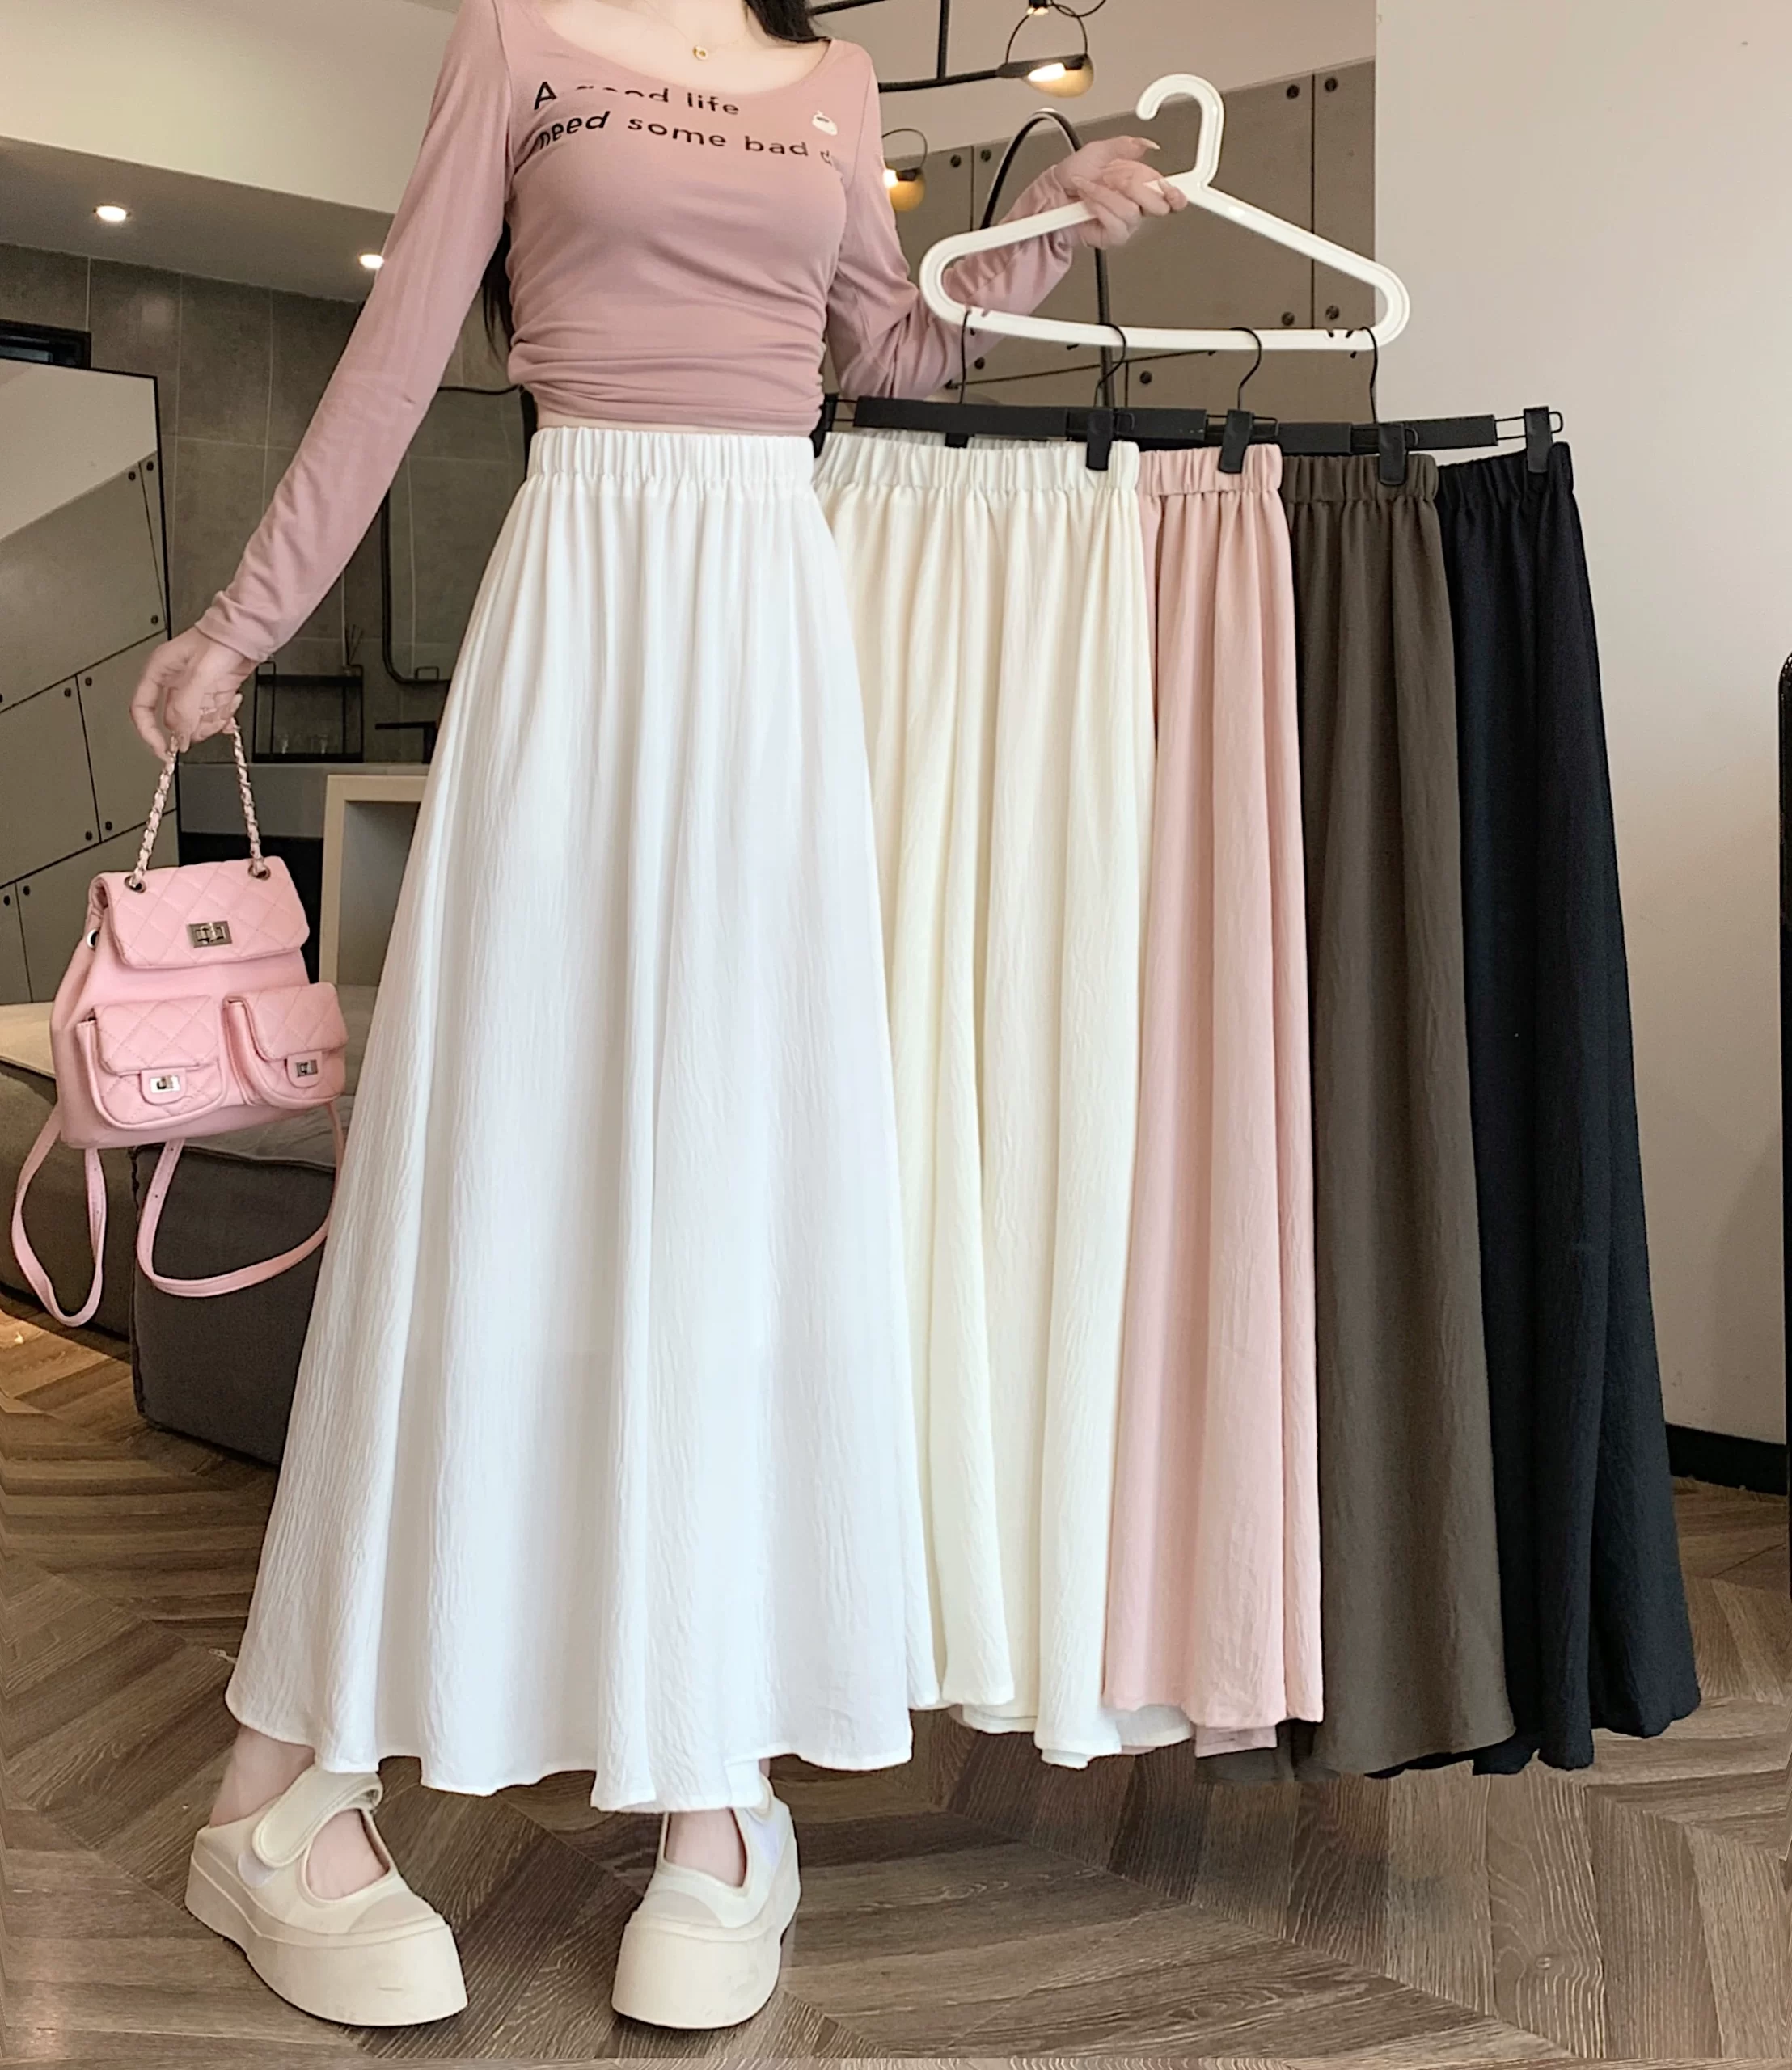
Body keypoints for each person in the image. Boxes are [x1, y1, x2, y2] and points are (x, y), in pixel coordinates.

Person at [132, 0, 1181, 2033]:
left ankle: (714, 1780)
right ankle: (280, 1783)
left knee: (737, 1166)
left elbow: (887, 349)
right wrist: (242, 624)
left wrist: (1046, 226)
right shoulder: (517, 37)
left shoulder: (833, 82)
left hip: (768, 607)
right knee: (491, 1156)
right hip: (578, 588)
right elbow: (395, 354)